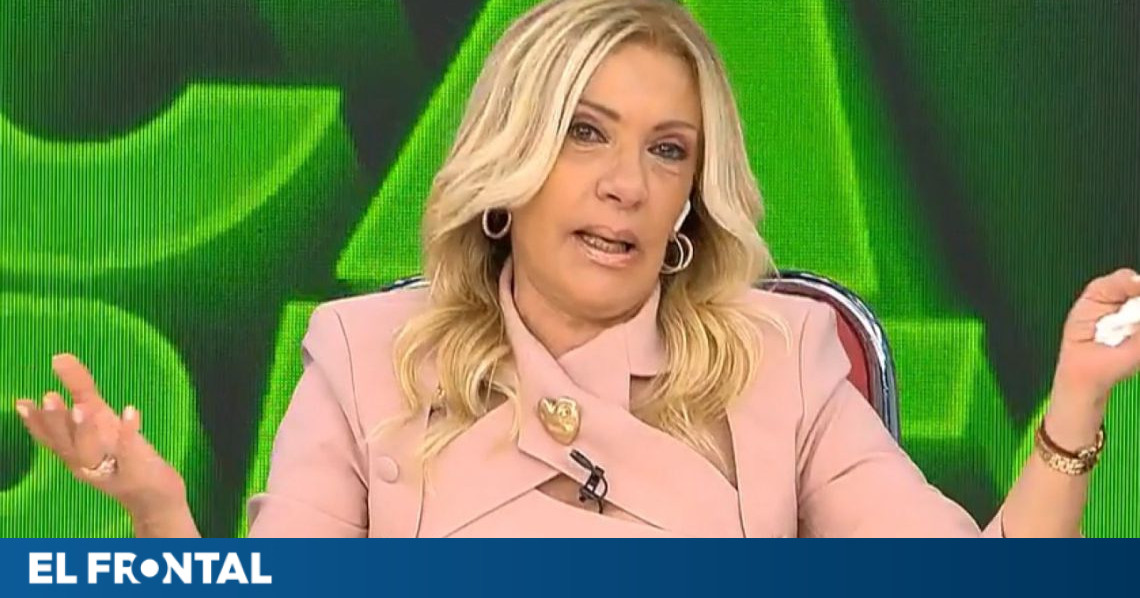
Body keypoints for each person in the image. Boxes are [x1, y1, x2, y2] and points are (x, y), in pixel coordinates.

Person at [15, 0, 1140, 538]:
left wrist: (1075, 404)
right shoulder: (364, 355)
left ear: (691, 199)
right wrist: (161, 509)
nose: (627, 185)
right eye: (585, 135)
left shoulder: (780, 359)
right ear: (509, 165)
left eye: (668, 151)